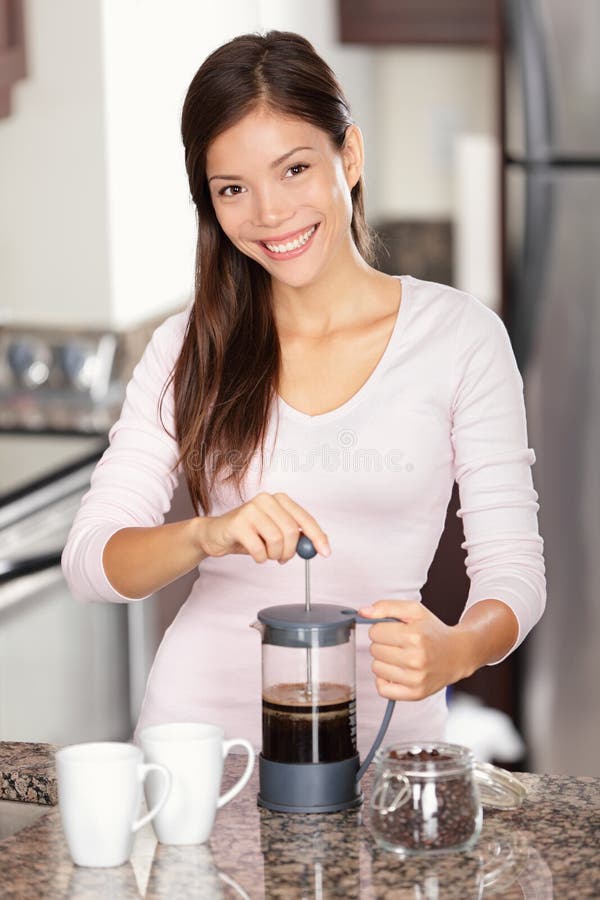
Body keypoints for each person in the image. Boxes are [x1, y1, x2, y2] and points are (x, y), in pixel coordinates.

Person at [62, 31, 545, 753]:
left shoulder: (459, 337)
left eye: (294, 169)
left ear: (348, 156)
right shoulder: (189, 347)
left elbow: (514, 571)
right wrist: (205, 533)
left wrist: (458, 649)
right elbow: (90, 563)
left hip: (386, 745)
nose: (269, 213)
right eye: (233, 188)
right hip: (196, 747)